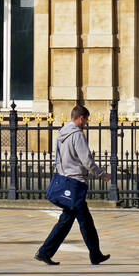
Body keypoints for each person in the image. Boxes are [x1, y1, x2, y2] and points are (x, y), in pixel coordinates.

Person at [36, 105, 111, 266]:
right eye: (86, 120)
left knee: (70, 220)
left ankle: (46, 252)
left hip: (65, 179)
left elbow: (58, 157)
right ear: (81, 118)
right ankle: (94, 254)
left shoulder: (61, 133)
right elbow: (87, 161)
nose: (86, 123)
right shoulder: (77, 135)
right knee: (82, 221)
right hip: (75, 183)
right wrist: (102, 174)